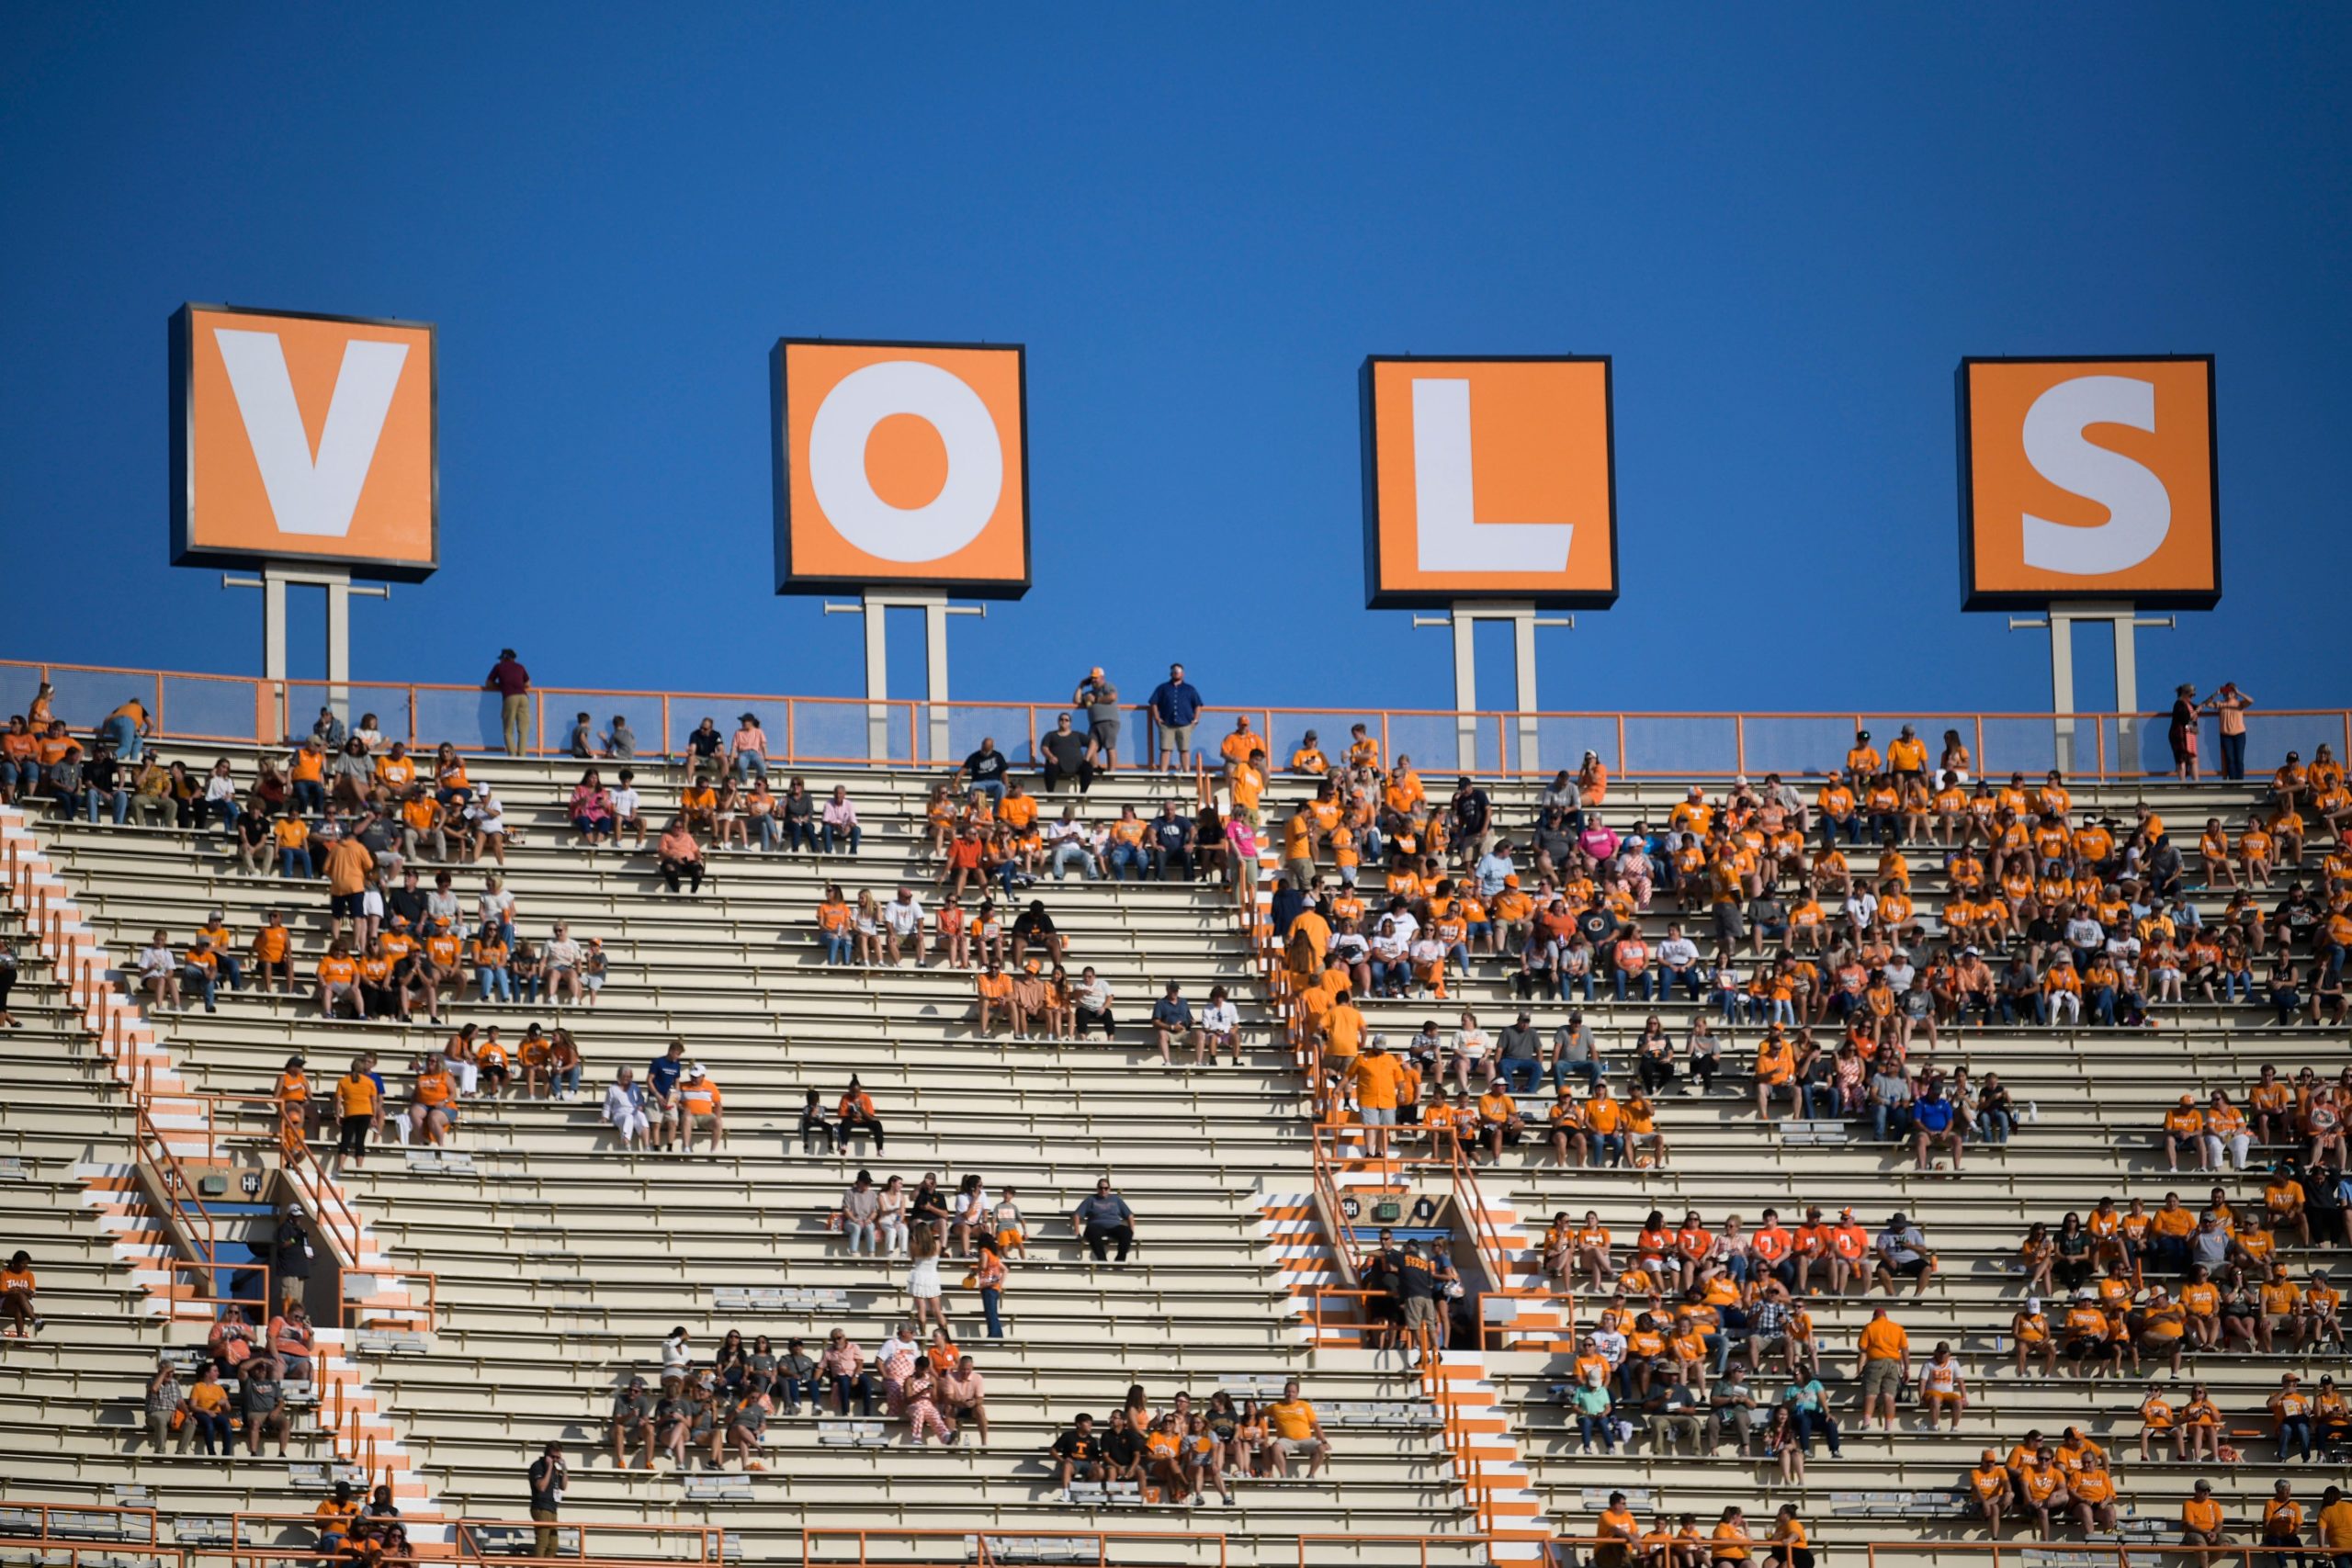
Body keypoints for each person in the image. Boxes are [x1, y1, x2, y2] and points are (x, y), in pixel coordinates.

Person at [1147, 662, 1203, 771]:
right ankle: (1163, 772)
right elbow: (1153, 702)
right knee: (1165, 749)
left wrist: (1195, 720)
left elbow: (1198, 705)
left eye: (1179, 672)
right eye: (1174, 672)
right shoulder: (1163, 688)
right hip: (1167, 724)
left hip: (1185, 724)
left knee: (1184, 749)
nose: (1176, 673)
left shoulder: (1190, 689)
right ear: (1171, 673)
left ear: (1183, 674)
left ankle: (1186, 772)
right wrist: (1157, 718)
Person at [1073, 1178, 1135, 1263]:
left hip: (1114, 1226)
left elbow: (1129, 1215)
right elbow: (1077, 1214)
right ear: (1097, 1189)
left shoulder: (1116, 1199)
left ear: (1109, 1189)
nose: (1103, 1190)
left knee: (1127, 1232)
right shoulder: (1091, 1199)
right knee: (1091, 1231)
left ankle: (1120, 1260)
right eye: (1101, 1188)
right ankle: (1102, 1260)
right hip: (1097, 1226)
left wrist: (1132, 1230)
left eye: (1106, 1188)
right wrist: (1077, 1231)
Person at [485, 649, 531, 758]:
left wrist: (501, 686)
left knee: (508, 729)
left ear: (504, 658)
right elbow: (528, 684)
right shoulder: (520, 667)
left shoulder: (499, 667)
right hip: (524, 697)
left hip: (510, 697)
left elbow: (488, 683)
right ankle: (522, 755)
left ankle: (512, 754)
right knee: (523, 729)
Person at [526, 1441, 567, 1557]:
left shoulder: (555, 1469)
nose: (555, 1460)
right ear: (547, 1455)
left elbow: (564, 1486)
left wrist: (564, 1470)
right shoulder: (538, 1466)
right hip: (541, 1507)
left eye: (558, 1457)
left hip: (552, 1508)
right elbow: (541, 1486)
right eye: (553, 1457)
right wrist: (549, 1468)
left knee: (553, 1545)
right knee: (542, 1542)